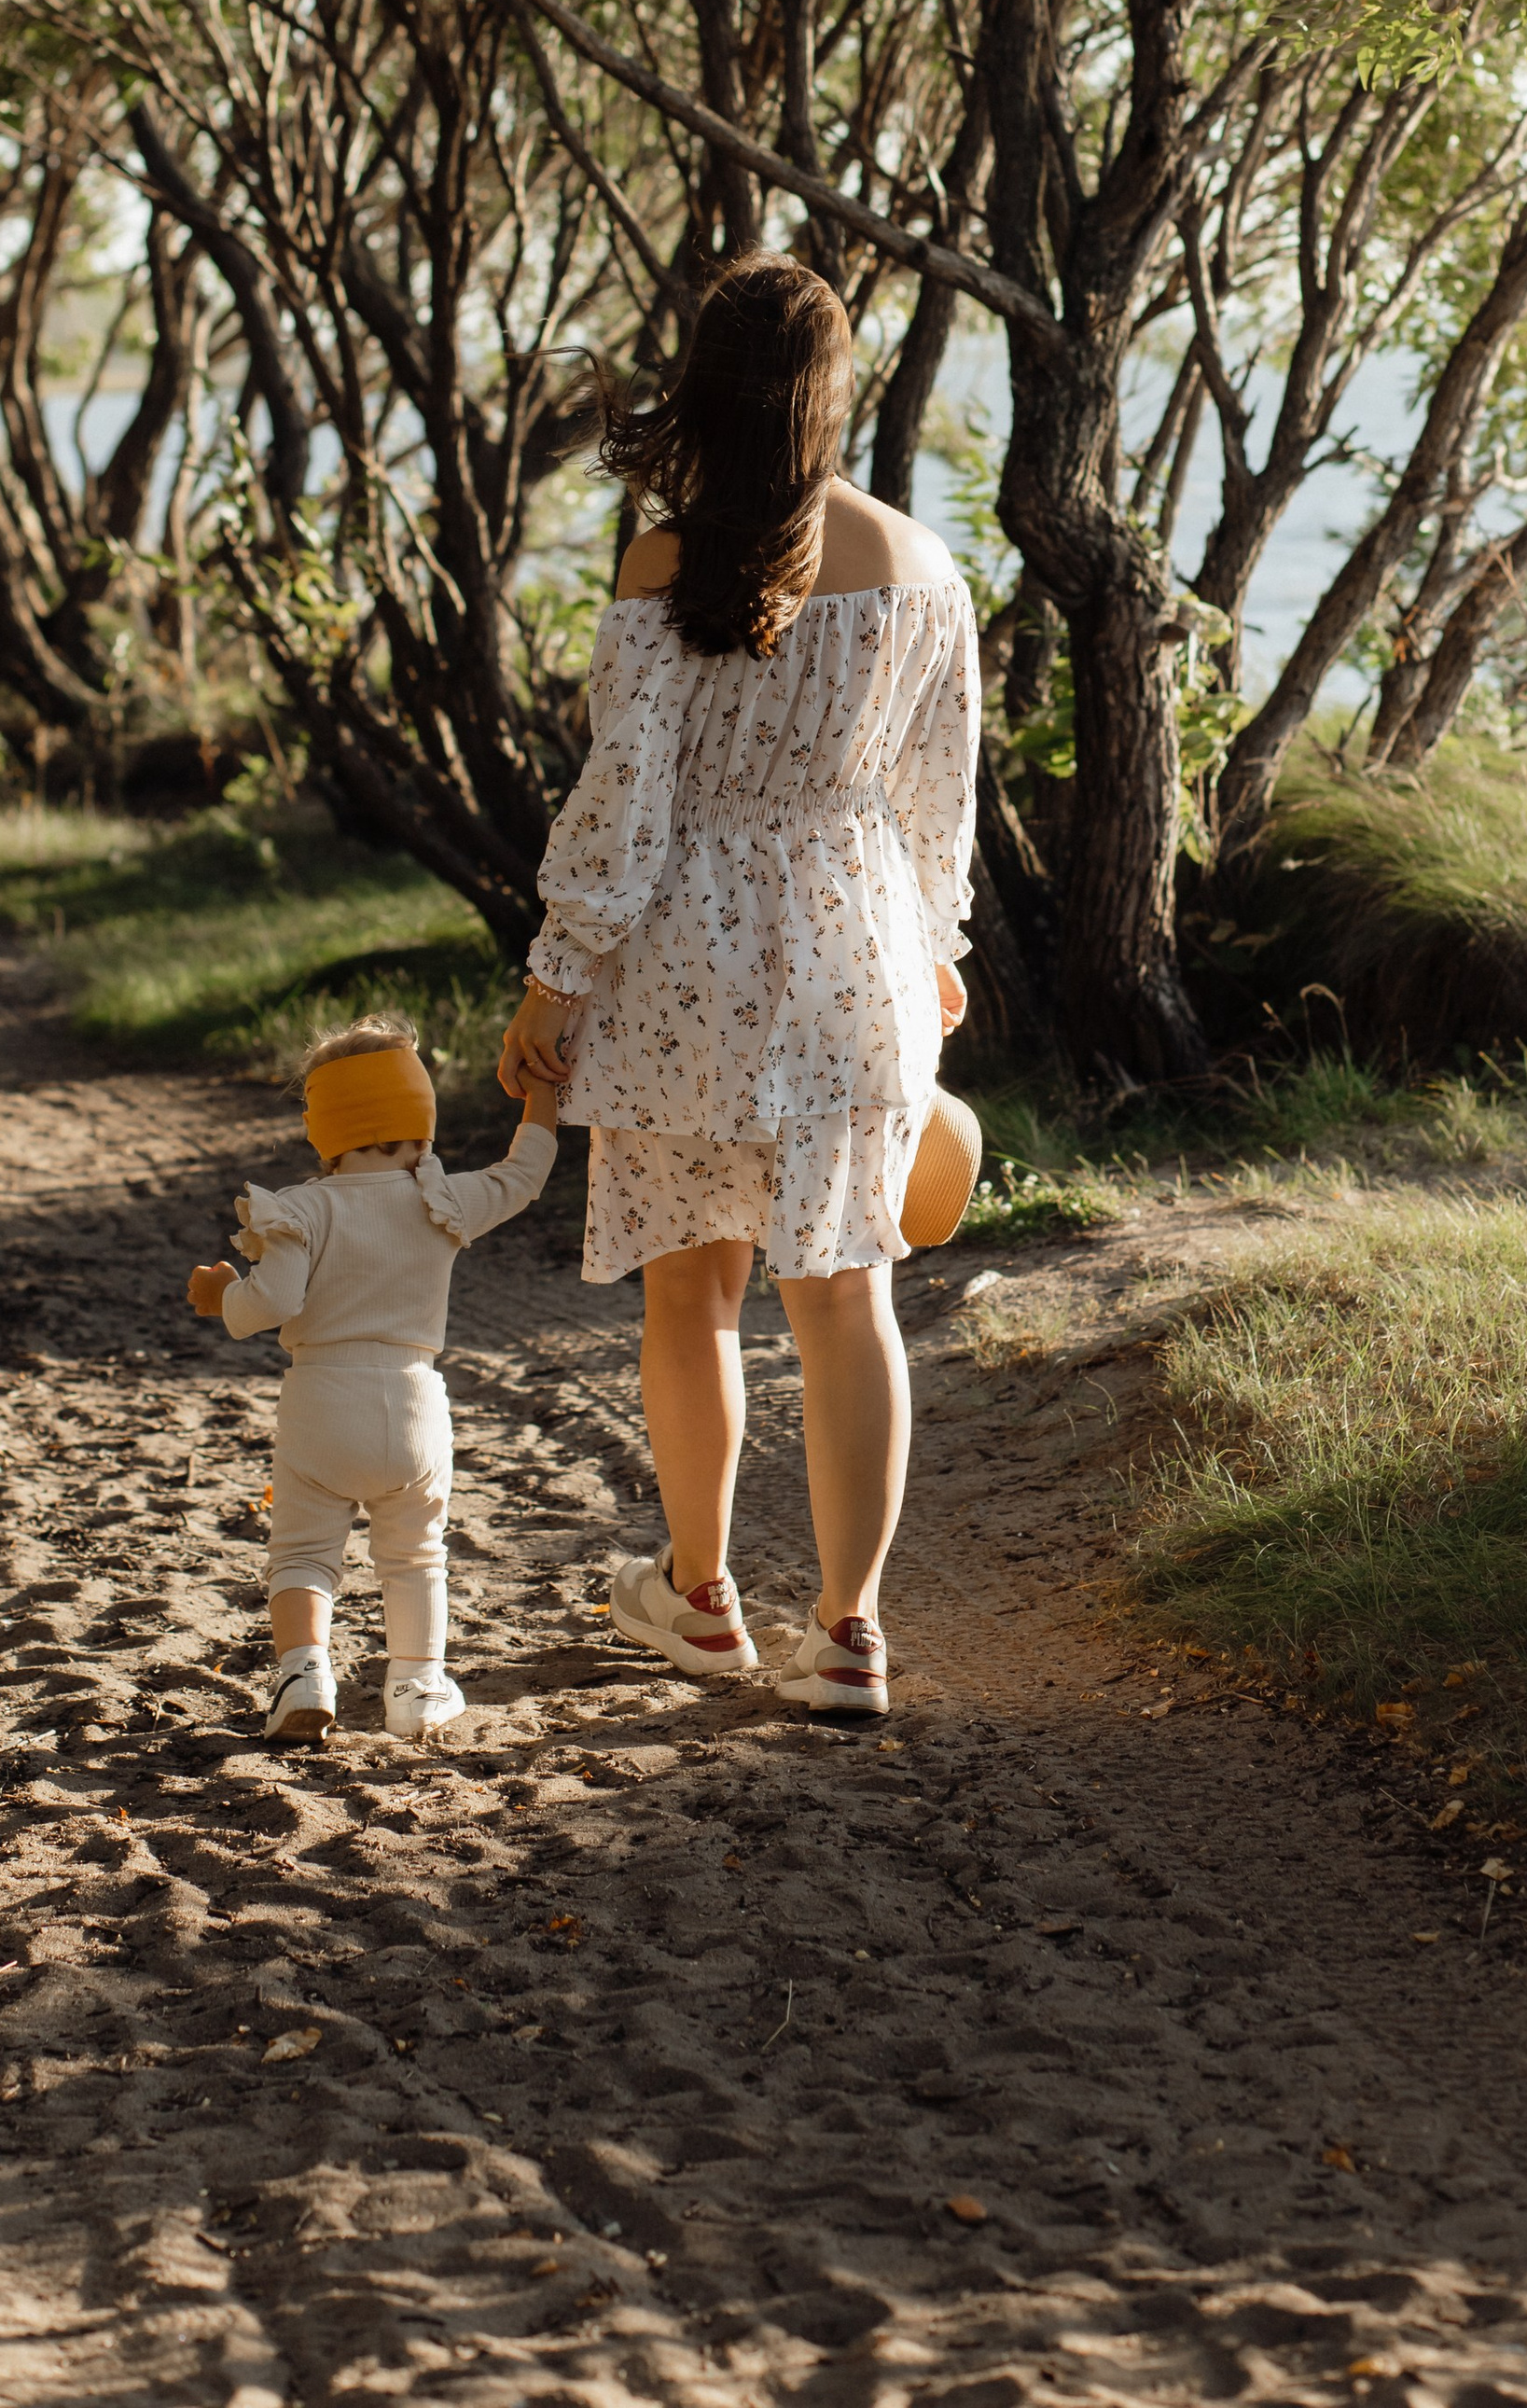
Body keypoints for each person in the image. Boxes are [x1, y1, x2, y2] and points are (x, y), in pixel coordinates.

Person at [501, 255, 978, 1726]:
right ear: (838, 393)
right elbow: (935, 801)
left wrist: (555, 978)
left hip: (686, 964)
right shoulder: (921, 564)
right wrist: (938, 955)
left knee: (691, 1295)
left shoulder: (666, 562)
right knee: (849, 1301)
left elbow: (626, 806)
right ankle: (851, 1635)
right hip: (856, 959)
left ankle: (701, 1599)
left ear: (703, 386)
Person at [186, 1011, 564, 1745]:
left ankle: (303, 1673)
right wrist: (541, 1093)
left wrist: (222, 1295)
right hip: (416, 1399)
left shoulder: (301, 1210)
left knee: (301, 1552)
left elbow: (274, 1302)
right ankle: (418, 1686)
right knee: (417, 1552)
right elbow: (525, 1174)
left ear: (325, 1128)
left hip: (321, 1400)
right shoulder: (444, 1200)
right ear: (420, 1122)